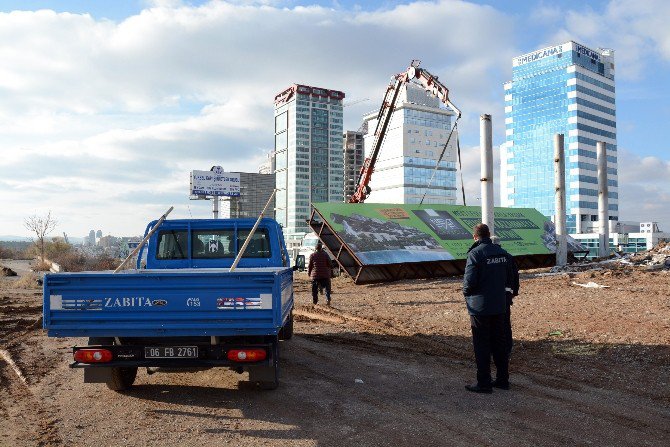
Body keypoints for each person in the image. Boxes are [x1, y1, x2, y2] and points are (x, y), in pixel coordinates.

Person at [462, 223, 517, 393]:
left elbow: (469, 283)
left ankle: (484, 382)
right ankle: (502, 380)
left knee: (482, 344)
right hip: (500, 306)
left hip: (480, 308)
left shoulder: (475, 254)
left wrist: (467, 294)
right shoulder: (503, 254)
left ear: (475, 237)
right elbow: (512, 278)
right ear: (489, 234)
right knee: (500, 343)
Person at [308, 241, 332, 306]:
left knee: (314, 289)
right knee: (328, 287)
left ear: (315, 249)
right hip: (325, 275)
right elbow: (330, 263)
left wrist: (309, 273)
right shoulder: (325, 254)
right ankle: (328, 299)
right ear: (321, 248)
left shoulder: (312, 255)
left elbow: (310, 266)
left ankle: (315, 302)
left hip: (315, 276)